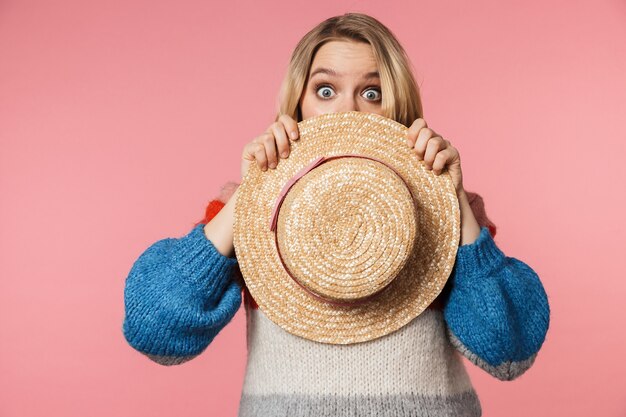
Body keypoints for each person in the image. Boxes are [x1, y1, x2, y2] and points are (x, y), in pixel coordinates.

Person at [122, 12, 550, 417]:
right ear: (298, 104)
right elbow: (154, 331)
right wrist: (252, 196)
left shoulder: (451, 213)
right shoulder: (245, 217)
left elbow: (510, 353)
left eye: (372, 93)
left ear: (399, 106)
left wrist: (451, 199)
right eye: (325, 91)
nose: (347, 112)